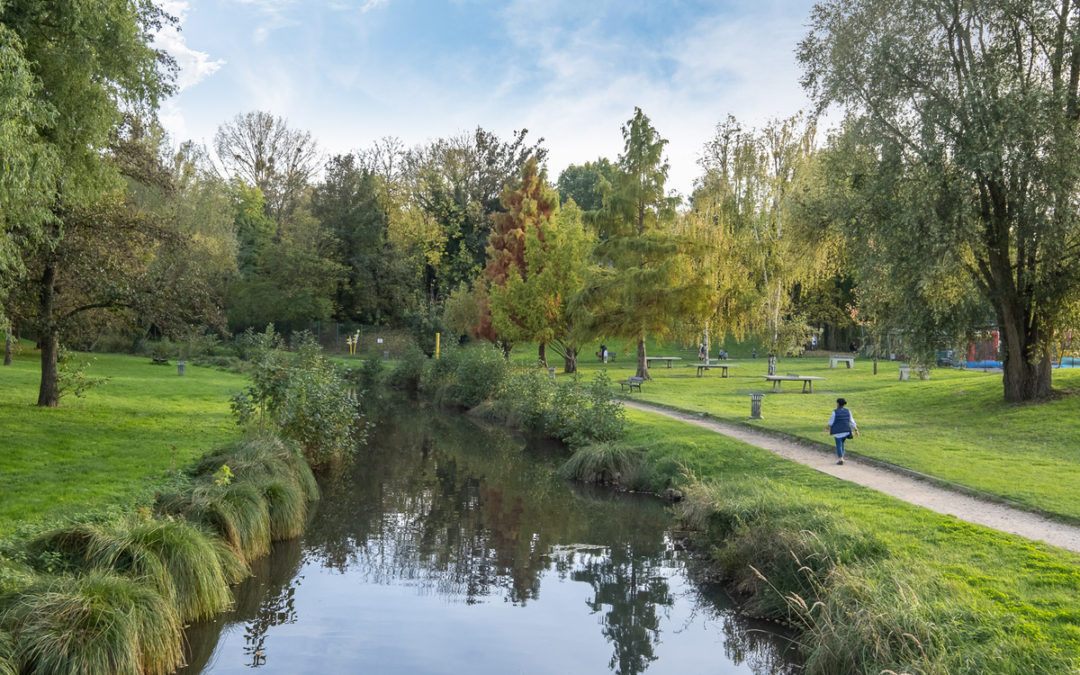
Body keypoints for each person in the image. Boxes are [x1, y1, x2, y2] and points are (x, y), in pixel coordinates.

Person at [826, 398, 858, 465]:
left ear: (838, 403)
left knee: (838, 445)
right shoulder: (848, 411)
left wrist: (827, 429)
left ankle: (841, 459)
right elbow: (852, 421)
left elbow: (831, 422)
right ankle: (842, 457)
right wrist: (856, 430)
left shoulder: (835, 412)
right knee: (842, 444)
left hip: (838, 431)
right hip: (846, 431)